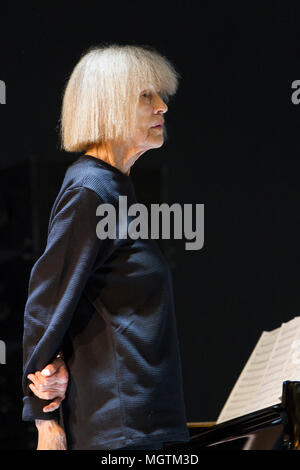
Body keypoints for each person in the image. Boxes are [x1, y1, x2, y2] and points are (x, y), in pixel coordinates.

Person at [22, 44, 190, 450]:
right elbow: (46, 301)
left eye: (160, 95)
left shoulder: (115, 188)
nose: (162, 106)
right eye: (146, 96)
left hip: (145, 425)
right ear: (107, 106)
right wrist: (45, 419)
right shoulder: (89, 189)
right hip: (118, 431)